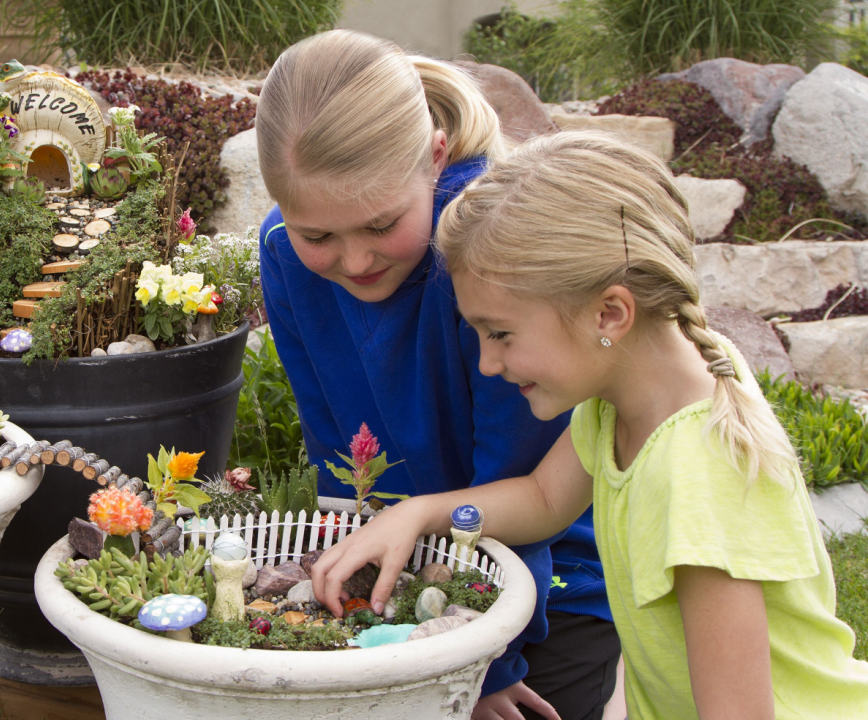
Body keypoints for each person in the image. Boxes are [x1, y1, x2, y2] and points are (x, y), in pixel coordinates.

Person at [312, 131, 868, 718]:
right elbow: (545, 497)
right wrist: (419, 513)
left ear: (610, 313)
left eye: (499, 333)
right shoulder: (631, 395)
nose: (487, 363)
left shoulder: (696, 479)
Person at [256, 30, 616, 719]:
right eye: (319, 235)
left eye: (380, 224)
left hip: (550, 577)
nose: (354, 261)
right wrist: (356, 587)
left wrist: (482, 663)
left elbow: (524, 484)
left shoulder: (485, 254)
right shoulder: (283, 254)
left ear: (435, 156)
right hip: (406, 554)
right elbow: (342, 457)